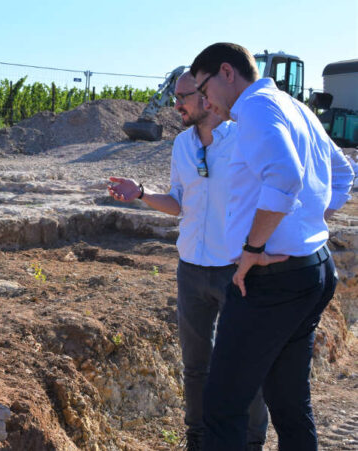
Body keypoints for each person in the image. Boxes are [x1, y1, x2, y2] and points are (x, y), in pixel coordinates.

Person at [190, 42, 354, 451]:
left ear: (227, 72)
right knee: (288, 402)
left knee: (223, 405)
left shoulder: (257, 109)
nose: (203, 100)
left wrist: (251, 249)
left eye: (203, 88)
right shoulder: (294, 106)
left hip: (271, 280)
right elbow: (342, 172)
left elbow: (284, 177)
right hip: (312, 269)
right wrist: (309, 223)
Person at [108, 71, 268, 451]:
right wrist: (143, 193)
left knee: (248, 367)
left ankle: (251, 442)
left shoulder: (244, 139)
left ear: (207, 95)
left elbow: (271, 196)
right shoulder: (181, 144)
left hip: (236, 272)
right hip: (191, 271)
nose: (175, 105)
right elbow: (179, 202)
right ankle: (198, 440)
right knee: (195, 368)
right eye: (175, 96)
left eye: (183, 96)